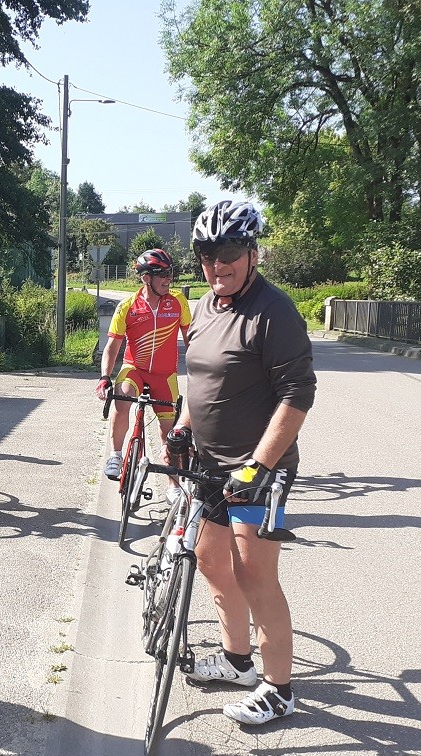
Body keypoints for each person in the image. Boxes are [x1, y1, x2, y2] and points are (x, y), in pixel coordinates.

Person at [167, 200, 317, 725]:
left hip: (259, 471)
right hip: (210, 464)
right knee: (211, 562)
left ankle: (280, 689)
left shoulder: (273, 312)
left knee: (255, 578)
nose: (218, 264)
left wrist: (258, 465)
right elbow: (200, 380)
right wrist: (184, 424)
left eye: (229, 251)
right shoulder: (208, 306)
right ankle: (237, 662)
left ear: (252, 253)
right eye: (208, 253)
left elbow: (298, 394)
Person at [96, 249, 190, 488]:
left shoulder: (178, 301)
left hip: (166, 374)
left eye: (170, 273)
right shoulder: (128, 306)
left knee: (169, 431)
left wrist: (204, 371)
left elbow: (191, 340)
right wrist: (105, 377)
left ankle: (173, 485)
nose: (169, 279)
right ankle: (116, 456)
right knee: (122, 398)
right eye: (163, 274)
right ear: (146, 277)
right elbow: (112, 346)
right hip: (134, 369)